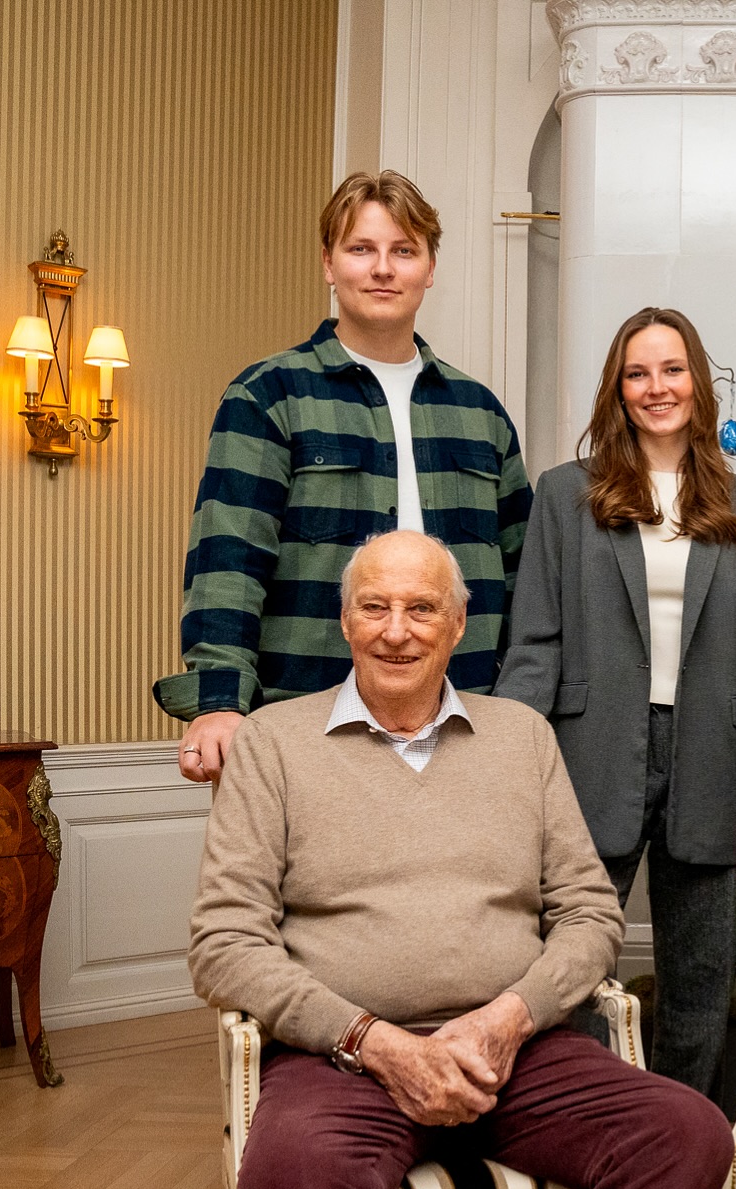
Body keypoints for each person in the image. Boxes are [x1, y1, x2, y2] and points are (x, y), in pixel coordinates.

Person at [189, 528, 733, 1189]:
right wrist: (374, 1042)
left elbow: (591, 914)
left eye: (421, 608)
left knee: (688, 1133)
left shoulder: (519, 738)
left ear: (458, 623)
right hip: (345, 1058)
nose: (397, 630)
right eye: (375, 606)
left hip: (517, 1051)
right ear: (343, 618)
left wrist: (507, 1019)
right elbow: (223, 945)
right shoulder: (273, 746)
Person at [154, 169, 531, 784]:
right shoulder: (268, 396)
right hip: (307, 719)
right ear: (329, 264)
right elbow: (228, 559)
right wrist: (220, 702)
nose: (383, 268)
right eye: (361, 249)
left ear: (429, 268)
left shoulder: (480, 413)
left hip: (462, 727)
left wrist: (514, 710)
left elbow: (525, 581)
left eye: (403, 251)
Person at [496, 307, 736, 1096]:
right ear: (618, 391)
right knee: (570, 967)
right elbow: (535, 642)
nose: (657, 387)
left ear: (698, 381)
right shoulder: (565, 495)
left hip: (713, 762)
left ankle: (682, 1141)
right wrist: (511, 765)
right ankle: (587, 1125)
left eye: (671, 369)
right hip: (589, 752)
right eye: (638, 373)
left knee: (702, 977)